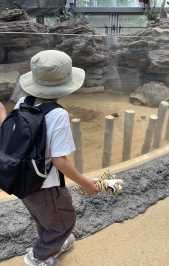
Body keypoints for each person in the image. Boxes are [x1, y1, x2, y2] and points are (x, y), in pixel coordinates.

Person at [0, 49, 99, 266]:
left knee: (44, 217)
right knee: (64, 221)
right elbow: (60, 160)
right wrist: (87, 183)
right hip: (46, 185)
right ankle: (38, 257)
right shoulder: (58, 114)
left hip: (23, 180)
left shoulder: (23, 102)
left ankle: (53, 243)